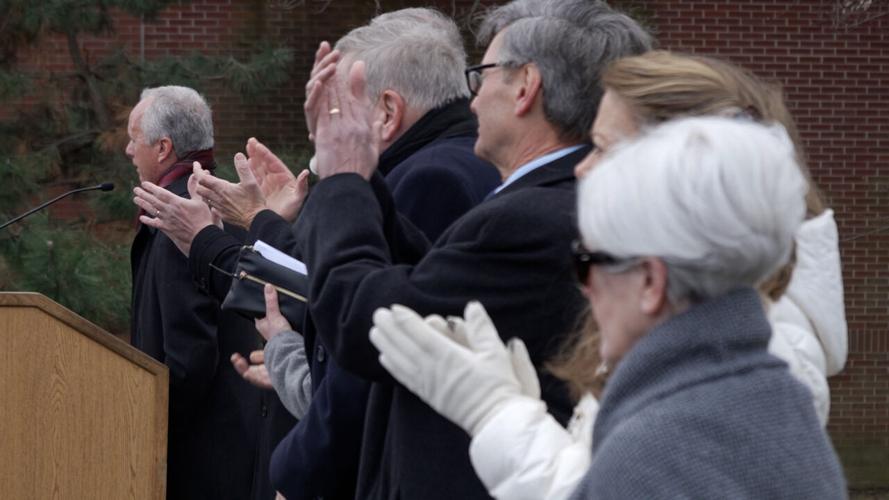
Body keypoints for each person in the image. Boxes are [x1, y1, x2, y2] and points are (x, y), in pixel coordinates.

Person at [365, 51, 849, 499]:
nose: (582, 286)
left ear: (652, 281)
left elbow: (628, 476)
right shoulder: (743, 375)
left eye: (587, 263)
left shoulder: (675, 426)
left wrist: (495, 413)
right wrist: (509, 412)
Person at [265, 1, 651, 498]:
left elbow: (369, 323)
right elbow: (431, 287)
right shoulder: (550, 199)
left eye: (482, 74)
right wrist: (362, 178)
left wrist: (340, 179)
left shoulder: (533, 217)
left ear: (525, 85)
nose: (470, 100)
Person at [134, 9, 502, 499]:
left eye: (338, 113)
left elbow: (347, 317)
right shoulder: (440, 163)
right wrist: (272, 220)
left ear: (388, 111)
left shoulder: (429, 178)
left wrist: (299, 467)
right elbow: (327, 276)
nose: (322, 135)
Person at [127, 86, 272, 499]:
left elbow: (190, 357)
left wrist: (147, 431)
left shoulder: (179, 216)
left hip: (199, 457)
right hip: (229, 441)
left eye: (133, 139)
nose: (126, 150)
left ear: (163, 148)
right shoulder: (220, 199)